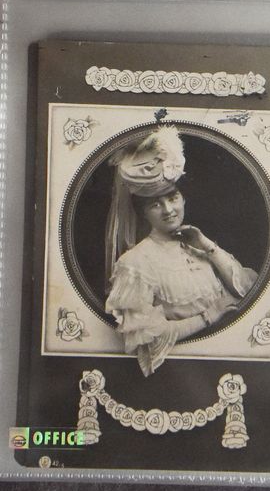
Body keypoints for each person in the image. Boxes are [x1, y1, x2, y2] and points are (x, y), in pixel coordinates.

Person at [104, 126, 257, 377]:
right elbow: (147, 338)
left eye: (173, 198)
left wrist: (208, 246)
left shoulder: (196, 243)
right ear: (143, 213)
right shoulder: (135, 263)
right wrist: (210, 315)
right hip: (187, 373)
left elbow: (248, 289)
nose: (168, 210)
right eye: (155, 204)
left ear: (183, 198)